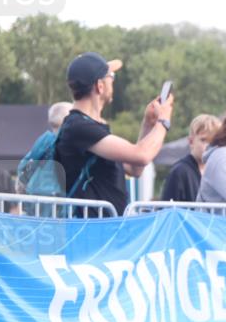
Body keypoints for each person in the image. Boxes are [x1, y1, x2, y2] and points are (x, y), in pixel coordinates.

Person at [56, 52, 172, 217]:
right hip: (92, 229)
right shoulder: (79, 127)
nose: (113, 82)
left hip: (107, 226)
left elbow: (134, 168)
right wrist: (163, 120)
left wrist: (149, 123)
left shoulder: (90, 127)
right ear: (100, 86)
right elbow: (142, 155)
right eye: (111, 76)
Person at [159, 114, 220, 202]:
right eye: (203, 140)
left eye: (213, 141)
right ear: (191, 141)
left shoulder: (218, 172)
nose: (208, 146)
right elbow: (167, 207)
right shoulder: (179, 172)